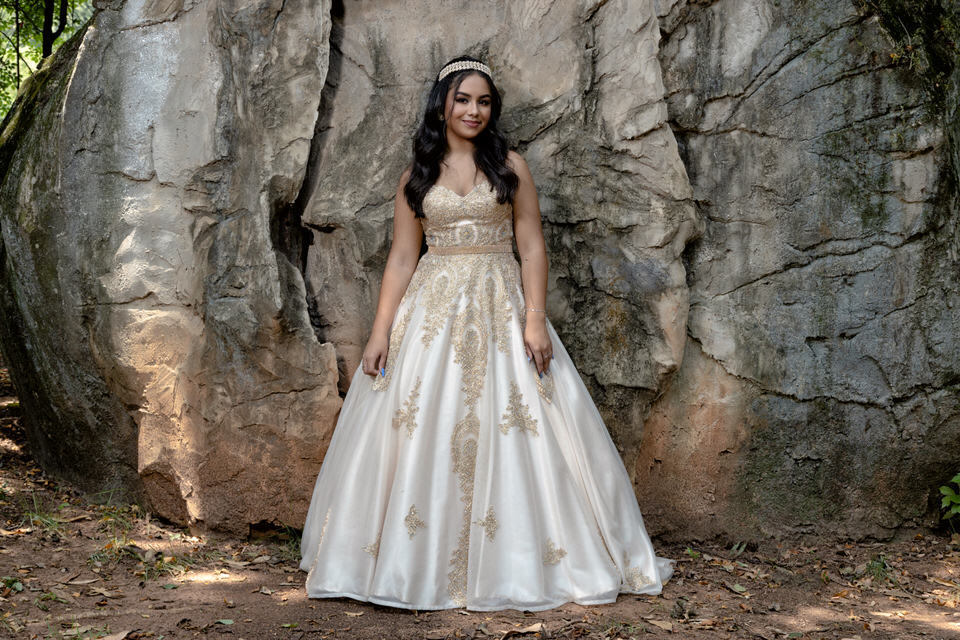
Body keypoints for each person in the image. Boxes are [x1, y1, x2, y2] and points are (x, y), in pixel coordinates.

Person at [299, 55, 674, 612]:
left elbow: (532, 246)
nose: (473, 110)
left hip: (500, 305)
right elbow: (402, 258)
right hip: (432, 311)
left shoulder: (510, 167)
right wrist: (380, 333)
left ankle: (520, 562)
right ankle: (412, 565)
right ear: (442, 106)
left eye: (483, 101)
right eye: (463, 99)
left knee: (516, 422)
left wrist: (534, 318)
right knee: (421, 424)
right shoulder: (416, 175)